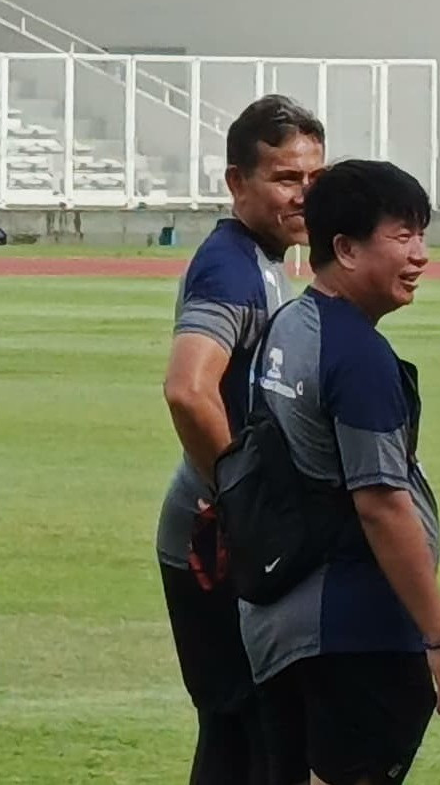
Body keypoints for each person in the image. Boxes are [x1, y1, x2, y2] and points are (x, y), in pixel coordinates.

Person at [241, 160, 440, 785]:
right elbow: (381, 504)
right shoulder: (358, 357)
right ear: (345, 249)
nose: (421, 255)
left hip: (282, 621)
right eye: (402, 237)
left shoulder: (290, 326)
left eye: (422, 236)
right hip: (353, 631)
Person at [157, 96, 326, 785]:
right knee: (244, 726)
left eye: (315, 179)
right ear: (236, 183)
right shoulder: (231, 267)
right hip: (210, 530)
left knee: (246, 727)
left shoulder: (262, 260)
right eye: (286, 179)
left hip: (217, 522)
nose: (304, 195)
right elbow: (187, 389)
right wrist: (238, 497)